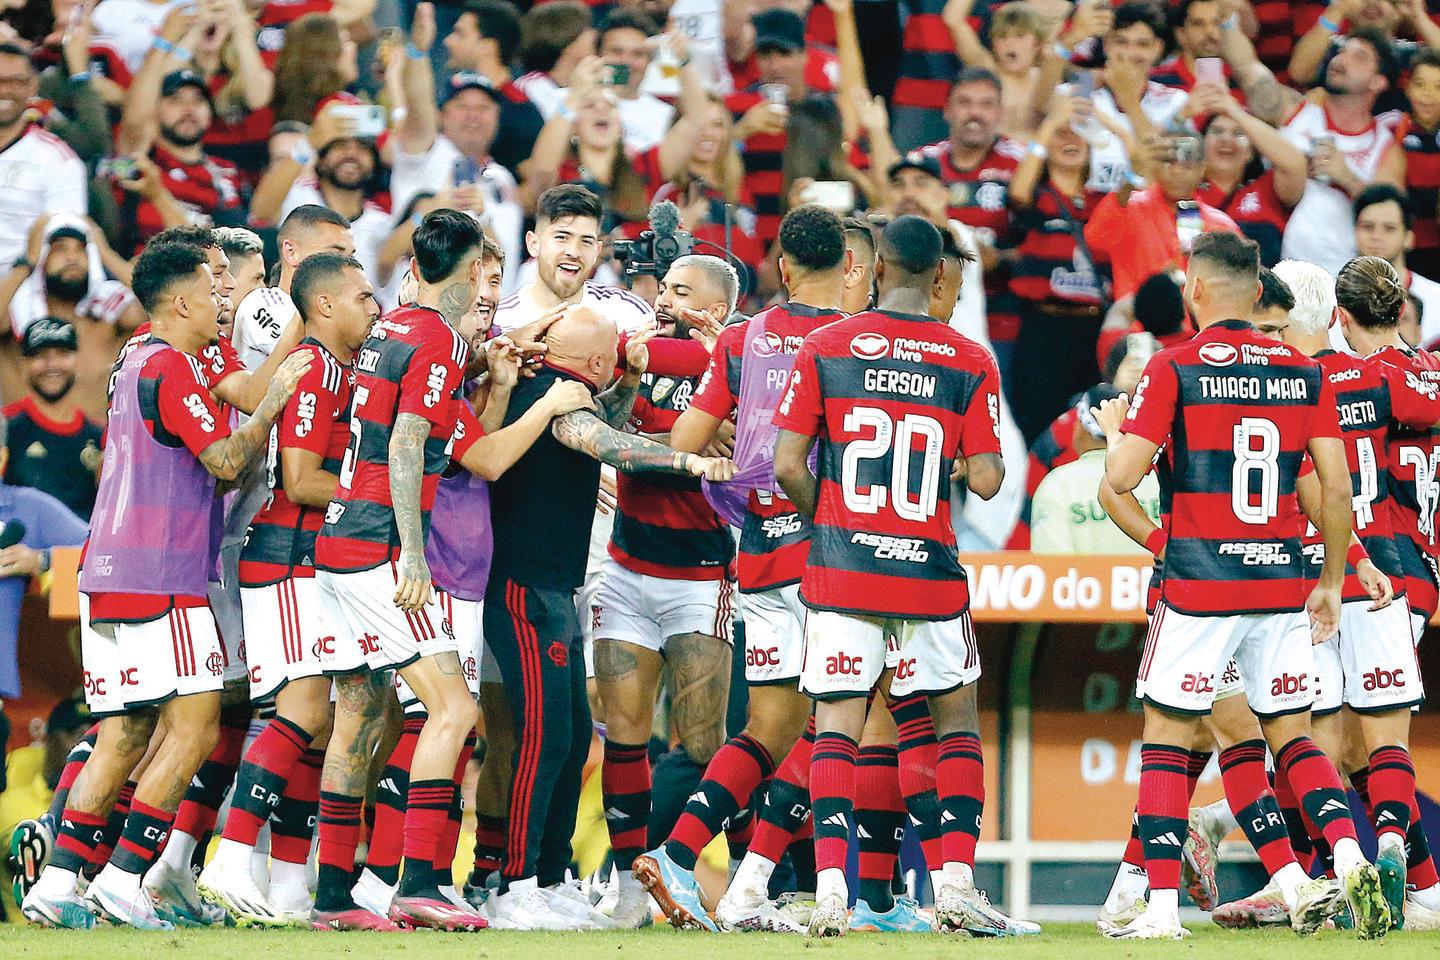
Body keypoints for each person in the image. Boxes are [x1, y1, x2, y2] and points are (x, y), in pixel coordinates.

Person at [1096, 231, 1389, 939]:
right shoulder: (1303, 371)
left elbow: (1121, 482)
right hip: (1280, 583)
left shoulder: (1172, 367)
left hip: (1199, 586)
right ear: (1259, 294)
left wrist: (1126, 459)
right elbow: (1335, 487)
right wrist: (1329, 577)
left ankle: (1160, 910)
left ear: (1193, 290)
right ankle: (1346, 858)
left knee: (1169, 739)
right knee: (1292, 737)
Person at [21, 241, 308, 931]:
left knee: (123, 731)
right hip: (163, 575)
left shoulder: (135, 356)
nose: (222, 305)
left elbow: (229, 396)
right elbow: (228, 461)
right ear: (182, 303)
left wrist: (270, 362)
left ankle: (58, 882)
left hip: (106, 571)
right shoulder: (174, 371)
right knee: (197, 723)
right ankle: (124, 877)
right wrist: (273, 404)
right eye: (211, 295)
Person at [771, 215, 1022, 936]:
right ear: (939, 275)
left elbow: (787, 464)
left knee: (838, 730)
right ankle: (958, 886)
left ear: (874, 265)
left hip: (845, 567)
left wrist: (837, 519)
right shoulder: (969, 359)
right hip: (928, 575)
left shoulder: (825, 345)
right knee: (956, 726)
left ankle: (827, 894)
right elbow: (989, 479)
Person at [633, 205, 849, 932]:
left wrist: (741, 434)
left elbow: (690, 442)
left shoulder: (743, 339)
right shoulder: (852, 343)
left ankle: (678, 855)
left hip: (756, 552)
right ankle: (768, 881)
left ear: (781, 267)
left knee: (768, 728)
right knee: (850, 716)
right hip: (828, 552)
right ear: (849, 269)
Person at [482, 304, 734, 929]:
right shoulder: (556, 397)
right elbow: (610, 446)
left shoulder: (573, 389)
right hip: (523, 589)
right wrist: (691, 461)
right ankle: (512, 884)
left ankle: (547, 873)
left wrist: (626, 386)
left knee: (567, 744)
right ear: (597, 362)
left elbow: (609, 418)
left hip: (554, 590)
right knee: (543, 741)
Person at [309, 209, 489, 933]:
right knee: (454, 708)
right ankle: (418, 882)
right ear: (473, 267)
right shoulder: (437, 337)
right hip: (383, 547)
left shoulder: (392, 326)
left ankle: (330, 900)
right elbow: (410, 440)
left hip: (336, 541)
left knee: (359, 715)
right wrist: (413, 553)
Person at [194, 252, 379, 926]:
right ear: (323, 305)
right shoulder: (313, 369)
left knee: (317, 716)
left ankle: (291, 884)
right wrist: (386, 495)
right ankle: (232, 853)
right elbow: (301, 480)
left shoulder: (339, 368)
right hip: (287, 551)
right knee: (301, 712)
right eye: (362, 295)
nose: (373, 306)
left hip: (308, 555)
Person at [593, 254, 739, 927]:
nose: (666, 300)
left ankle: (738, 877)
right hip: (626, 566)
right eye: (664, 288)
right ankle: (628, 885)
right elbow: (616, 422)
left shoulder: (743, 368)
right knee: (623, 733)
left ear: (718, 307)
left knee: (707, 744)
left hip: (701, 576)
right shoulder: (639, 357)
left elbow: (740, 453)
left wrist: (715, 365)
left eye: (682, 292)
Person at [1007, 95, 1117, 443]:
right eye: (1061, 134)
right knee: (1037, 424)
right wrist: (1051, 121)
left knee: (1093, 430)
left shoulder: (1107, 201)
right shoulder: (1035, 196)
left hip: (1095, 327)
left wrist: (1105, 122)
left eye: (1079, 133)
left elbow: (1143, 173)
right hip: (1044, 328)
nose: (1070, 140)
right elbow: (1017, 193)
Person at [393, 5, 525, 285]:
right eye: (462, 106)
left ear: (498, 118)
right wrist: (417, 52)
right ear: (442, 115)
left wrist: (482, 218)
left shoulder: (503, 180)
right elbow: (418, 105)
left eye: (484, 108)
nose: (473, 115)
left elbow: (506, 269)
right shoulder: (424, 152)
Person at [917, 69, 1026, 364]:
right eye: (965, 102)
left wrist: (998, 258)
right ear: (947, 109)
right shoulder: (920, 166)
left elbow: (1032, 245)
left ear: (1000, 112)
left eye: (986, 104)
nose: (975, 113)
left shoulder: (1022, 165)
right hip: (934, 314)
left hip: (1002, 318)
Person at [113, 42, 245, 254]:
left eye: (198, 100)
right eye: (175, 100)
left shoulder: (226, 171)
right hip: (144, 274)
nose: (189, 109)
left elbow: (233, 244)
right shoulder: (138, 161)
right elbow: (134, 119)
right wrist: (166, 40)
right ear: (154, 110)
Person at [1085, 129, 1240, 303]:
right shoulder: (1129, 207)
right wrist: (1133, 174)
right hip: (1137, 327)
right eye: (1168, 161)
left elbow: (1237, 290)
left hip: (1200, 328)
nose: (1177, 171)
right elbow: (1094, 239)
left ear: (1203, 168)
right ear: (1155, 164)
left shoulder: (1222, 227)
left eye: (1187, 162)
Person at [494, 185, 653, 334]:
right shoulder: (501, 322)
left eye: (586, 241)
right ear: (533, 244)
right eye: (562, 237)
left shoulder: (629, 313)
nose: (574, 252)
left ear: (597, 250)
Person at [1188, 80, 1308, 267]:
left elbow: (1295, 163)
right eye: (1217, 131)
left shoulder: (1268, 188)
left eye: (1238, 133)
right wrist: (1183, 113)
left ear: (1253, 151)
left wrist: (1234, 110)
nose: (1226, 139)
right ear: (1201, 145)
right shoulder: (1185, 189)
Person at [1031, 384, 1162, 554]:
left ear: (1081, 429)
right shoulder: (1160, 477)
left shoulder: (1058, 484)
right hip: (1156, 579)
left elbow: (1051, 563)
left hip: (1083, 580)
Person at [231, 205, 356, 371]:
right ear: (291, 252)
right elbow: (312, 368)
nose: (347, 266)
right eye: (334, 254)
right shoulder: (260, 303)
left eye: (351, 257)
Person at [3, 318, 102, 520]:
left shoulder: (100, 435)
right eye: (40, 355)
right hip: (17, 548)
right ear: (24, 363)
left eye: (62, 354)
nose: (52, 365)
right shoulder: (6, 427)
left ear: (77, 360)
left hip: (80, 549)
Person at [0, 43, 86, 269]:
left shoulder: (58, 159)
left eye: (16, 81)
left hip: (24, 291)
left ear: (32, 87)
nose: (4, 90)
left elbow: (64, 249)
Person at [440, 0, 545, 178]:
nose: (447, 41)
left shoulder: (521, 113)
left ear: (487, 48)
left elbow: (532, 186)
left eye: (460, 34)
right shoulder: (450, 95)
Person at [1350, 185, 1440, 345]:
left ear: (1409, 238)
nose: (1376, 236)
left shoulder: (1437, 300)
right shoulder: (1330, 298)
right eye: (1368, 227)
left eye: (1389, 228)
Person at [596, 8, 675, 152]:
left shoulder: (667, 116)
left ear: (650, 61)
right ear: (598, 54)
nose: (626, 61)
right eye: (616, 51)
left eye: (637, 54)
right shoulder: (567, 102)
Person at [1400, 47, 1440, 277]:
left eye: (1438, 87)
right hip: (1405, 249)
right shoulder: (1394, 127)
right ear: (1407, 86)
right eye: (1420, 84)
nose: (1428, 95)